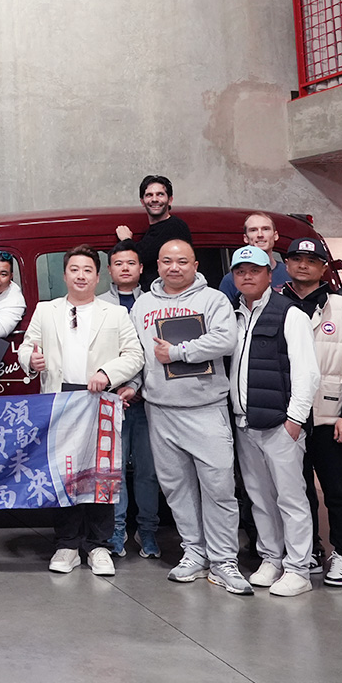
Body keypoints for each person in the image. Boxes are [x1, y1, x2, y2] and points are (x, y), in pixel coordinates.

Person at [127, 238, 249, 595]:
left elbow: (226, 340)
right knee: (176, 488)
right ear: (158, 265)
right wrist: (133, 384)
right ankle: (194, 552)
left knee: (219, 488)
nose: (174, 267)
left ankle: (224, 560)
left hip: (206, 408)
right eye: (166, 261)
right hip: (161, 410)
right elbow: (137, 352)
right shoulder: (143, 304)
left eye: (182, 261)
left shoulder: (213, 300)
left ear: (196, 264)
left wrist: (181, 351)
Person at [17, 247, 144, 577]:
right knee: (65, 474)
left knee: (100, 474)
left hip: (98, 400)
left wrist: (106, 373)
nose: (80, 276)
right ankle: (67, 544)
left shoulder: (114, 313)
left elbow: (134, 355)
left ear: (97, 276)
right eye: (74, 269)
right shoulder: (46, 311)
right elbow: (27, 347)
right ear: (64, 275)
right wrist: (30, 360)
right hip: (59, 401)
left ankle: (99, 545)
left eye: (87, 270)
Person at [228, 246, 320, 598]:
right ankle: (272, 557)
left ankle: (298, 567)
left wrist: (294, 420)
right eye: (241, 271)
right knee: (259, 498)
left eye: (255, 270)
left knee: (291, 498)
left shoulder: (290, 314)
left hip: (280, 425)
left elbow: (307, 372)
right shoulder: (232, 316)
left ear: (270, 274)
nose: (247, 276)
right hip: (244, 423)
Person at [279, 237, 342, 586]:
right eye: (296, 259)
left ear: (323, 268)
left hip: (329, 415)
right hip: (288, 415)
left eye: (311, 261)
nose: (303, 265)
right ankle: (308, 548)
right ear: (286, 264)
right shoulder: (275, 304)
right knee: (296, 490)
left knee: (337, 489)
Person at [99, 242, 158, 557]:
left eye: (131, 263)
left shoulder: (152, 303)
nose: (125, 268)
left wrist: (136, 386)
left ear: (140, 268)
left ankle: (147, 532)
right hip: (110, 401)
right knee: (114, 472)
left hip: (147, 402)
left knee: (148, 472)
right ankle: (116, 532)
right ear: (109, 269)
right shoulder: (99, 305)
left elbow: (150, 354)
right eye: (118, 263)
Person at [114, 175, 192, 287]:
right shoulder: (153, 230)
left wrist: (126, 240)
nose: (154, 199)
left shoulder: (175, 226)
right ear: (142, 201)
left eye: (160, 194)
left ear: (170, 200)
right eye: (149, 195)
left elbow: (140, 256)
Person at [217, 212, 291, 302]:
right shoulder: (230, 280)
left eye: (265, 229)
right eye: (253, 230)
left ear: (275, 235)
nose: (260, 234)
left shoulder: (290, 274)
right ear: (245, 238)